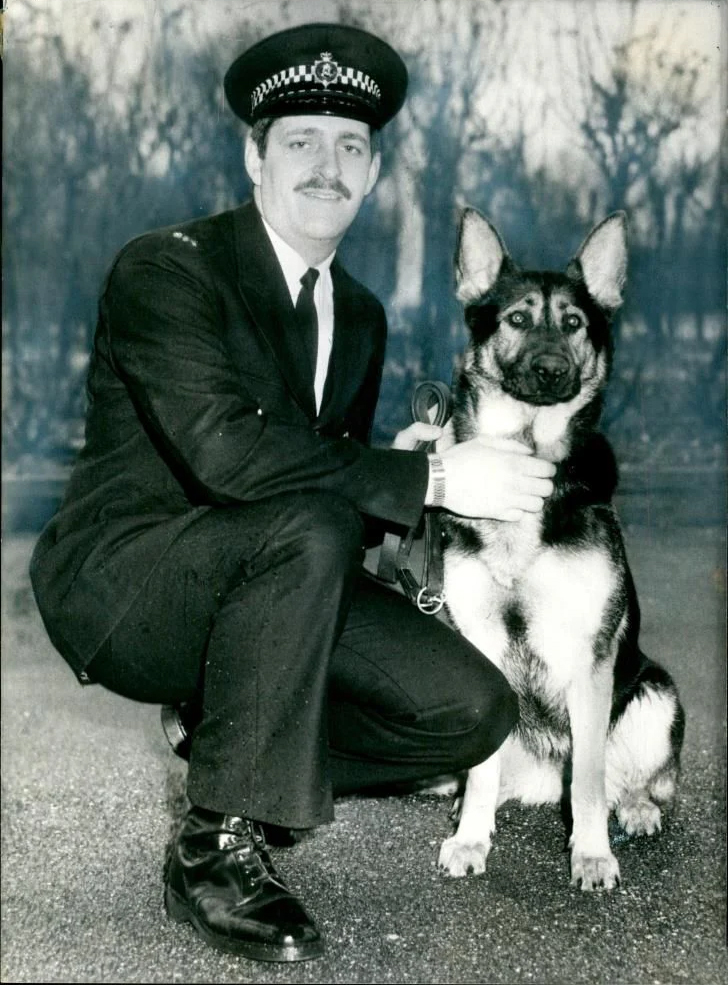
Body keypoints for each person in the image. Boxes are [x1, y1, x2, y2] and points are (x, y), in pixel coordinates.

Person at [30, 23, 556, 964]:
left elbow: (327, 500)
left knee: (472, 710)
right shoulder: (167, 267)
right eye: (301, 140)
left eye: (351, 145)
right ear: (253, 156)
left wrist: (401, 473)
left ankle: (231, 733)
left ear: (374, 168)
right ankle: (213, 851)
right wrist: (427, 476)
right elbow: (229, 455)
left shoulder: (358, 314)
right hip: (124, 582)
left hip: (267, 571)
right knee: (309, 522)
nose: (328, 164)